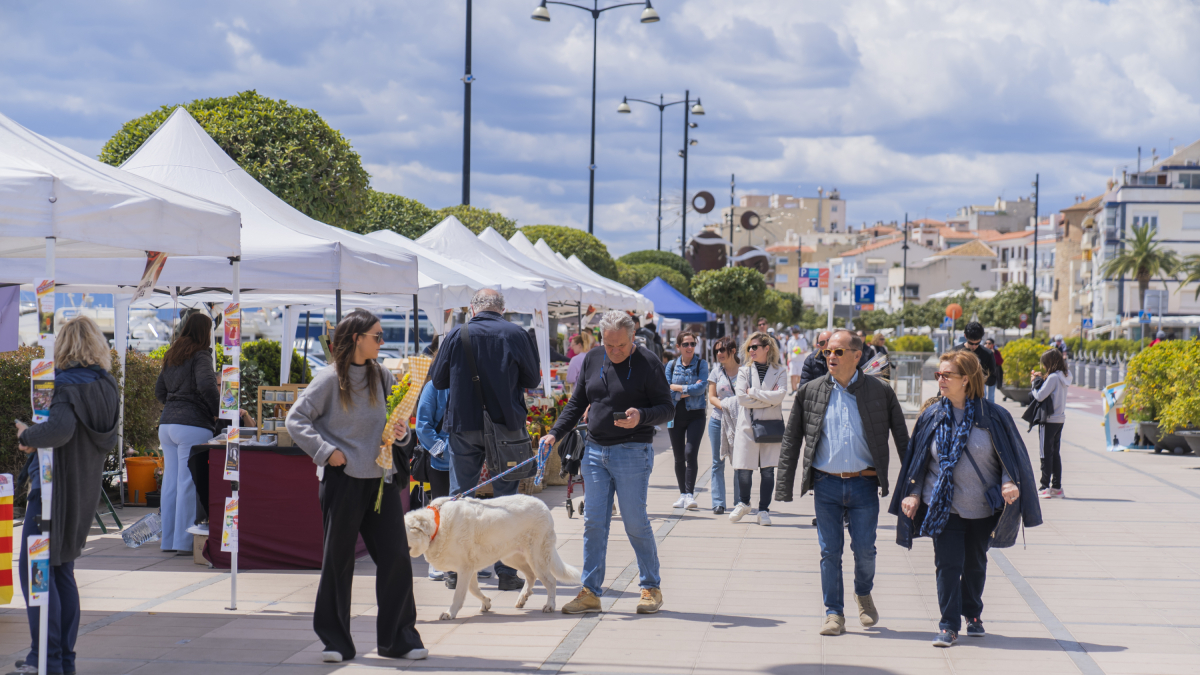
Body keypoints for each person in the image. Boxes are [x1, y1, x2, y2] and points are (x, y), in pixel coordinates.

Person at [286, 309, 425, 663]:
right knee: (338, 561)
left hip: (382, 480)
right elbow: (295, 419)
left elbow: (399, 425)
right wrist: (325, 451)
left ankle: (400, 641)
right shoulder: (329, 379)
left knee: (396, 559)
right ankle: (335, 642)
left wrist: (402, 433)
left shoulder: (384, 376)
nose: (382, 341)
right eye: (377, 336)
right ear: (356, 339)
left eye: (382, 336)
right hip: (343, 481)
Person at [891, 350, 1041, 648]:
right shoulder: (932, 415)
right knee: (947, 565)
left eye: (947, 375)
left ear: (967, 379)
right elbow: (919, 460)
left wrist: (1010, 482)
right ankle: (948, 624)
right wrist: (913, 493)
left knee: (975, 564)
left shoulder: (994, 416)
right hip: (943, 507)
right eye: (939, 375)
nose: (940, 380)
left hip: (983, 508)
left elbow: (1010, 459)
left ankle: (972, 613)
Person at [775, 329, 910, 636]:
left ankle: (863, 592)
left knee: (865, 551)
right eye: (827, 352)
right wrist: (783, 486)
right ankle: (834, 613)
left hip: (864, 485)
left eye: (837, 352)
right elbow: (791, 440)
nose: (830, 357)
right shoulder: (810, 391)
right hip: (826, 485)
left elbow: (903, 440)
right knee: (829, 552)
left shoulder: (880, 392)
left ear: (857, 356)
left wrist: (914, 486)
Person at [542, 311, 674, 615]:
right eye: (609, 345)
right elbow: (577, 402)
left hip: (633, 452)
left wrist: (641, 416)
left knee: (634, 521)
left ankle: (651, 586)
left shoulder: (649, 362)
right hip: (595, 452)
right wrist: (554, 433)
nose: (614, 352)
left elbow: (666, 408)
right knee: (594, 523)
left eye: (621, 347)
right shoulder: (593, 358)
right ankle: (590, 591)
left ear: (632, 338)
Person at [13, 316, 119, 675]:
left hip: (53, 493)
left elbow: (58, 430)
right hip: (84, 491)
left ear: (64, 345)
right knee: (62, 572)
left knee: (37, 571)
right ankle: (59, 658)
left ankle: (48, 658)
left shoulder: (66, 385)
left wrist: (28, 435)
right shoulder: (107, 385)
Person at [430, 289, 541, 591]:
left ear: (472, 308)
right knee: (505, 501)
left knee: (460, 497)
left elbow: (438, 380)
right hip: (505, 425)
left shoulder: (456, 335)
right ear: (503, 309)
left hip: (464, 424)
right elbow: (533, 380)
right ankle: (506, 572)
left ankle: (455, 570)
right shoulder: (516, 334)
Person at [154, 312, 220, 554]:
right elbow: (206, 385)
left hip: (167, 424)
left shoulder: (172, 354)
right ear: (205, 332)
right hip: (192, 425)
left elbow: (159, 390)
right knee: (187, 483)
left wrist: (175, 402)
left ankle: (168, 541)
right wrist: (216, 412)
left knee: (171, 483)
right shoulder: (201, 354)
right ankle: (184, 543)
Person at [729, 332, 788, 526]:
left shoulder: (779, 370)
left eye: (755, 347)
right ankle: (744, 503)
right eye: (749, 347)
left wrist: (754, 393)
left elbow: (779, 397)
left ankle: (763, 510)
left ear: (766, 349)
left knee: (768, 471)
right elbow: (741, 399)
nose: (751, 350)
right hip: (748, 427)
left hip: (770, 427)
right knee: (744, 470)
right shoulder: (744, 371)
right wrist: (767, 400)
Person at [415, 335, 451, 581]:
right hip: (441, 461)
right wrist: (443, 449)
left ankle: (468, 559)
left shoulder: (471, 383)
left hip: (468, 460)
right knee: (440, 513)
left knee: (467, 512)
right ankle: (437, 561)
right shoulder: (433, 387)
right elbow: (423, 426)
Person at [665, 330, 709, 510]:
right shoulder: (671, 365)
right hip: (674, 415)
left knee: (690, 453)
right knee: (678, 456)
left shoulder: (701, 364)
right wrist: (688, 389)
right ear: (678, 347)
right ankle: (682, 493)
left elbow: (701, 388)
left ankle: (689, 494)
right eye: (685, 344)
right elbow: (665, 389)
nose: (689, 347)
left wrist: (678, 389)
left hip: (696, 414)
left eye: (692, 344)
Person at [706, 335, 740, 514]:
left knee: (739, 461)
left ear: (733, 350)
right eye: (716, 350)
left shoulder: (745, 371)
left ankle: (740, 501)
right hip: (718, 420)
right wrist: (726, 406)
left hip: (740, 422)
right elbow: (711, 397)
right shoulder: (716, 371)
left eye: (722, 349)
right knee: (717, 462)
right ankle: (718, 502)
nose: (719, 353)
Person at [1031, 348, 1071, 498]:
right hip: (1060, 419)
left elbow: (1039, 396)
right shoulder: (1065, 375)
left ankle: (1044, 487)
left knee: (1045, 453)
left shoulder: (1053, 377)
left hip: (1048, 420)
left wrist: (1034, 382)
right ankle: (1056, 487)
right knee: (1055, 453)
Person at [799, 330, 875, 388]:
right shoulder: (811, 359)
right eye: (822, 343)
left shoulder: (849, 356)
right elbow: (804, 387)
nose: (832, 357)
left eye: (838, 352)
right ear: (819, 346)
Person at [955, 322, 996, 394]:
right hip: (957, 393)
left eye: (977, 343)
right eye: (971, 343)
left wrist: (983, 378)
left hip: (977, 395)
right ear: (965, 336)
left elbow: (993, 379)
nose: (974, 346)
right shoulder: (955, 352)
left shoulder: (987, 354)